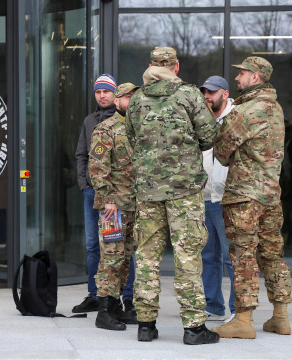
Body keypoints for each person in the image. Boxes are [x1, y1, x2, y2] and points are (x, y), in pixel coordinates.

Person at [125, 47, 220, 345]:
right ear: (175, 67)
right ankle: (193, 329)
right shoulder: (189, 95)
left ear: (151, 65)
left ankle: (145, 325)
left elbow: (131, 136)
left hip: (148, 191)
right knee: (188, 256)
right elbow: (209, 137)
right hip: (184, 192)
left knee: (147, 258)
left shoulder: (137, 98)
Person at [211, 57, 291, 339]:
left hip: (244, 196)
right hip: (271, 195)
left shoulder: (244, 111)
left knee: (243, 255)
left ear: (255, 77)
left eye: (242, 73)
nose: (237, 78)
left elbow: (221, 153)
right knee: (272, 254)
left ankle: (243, 321)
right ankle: (280, 317)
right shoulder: (276, 108)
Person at [89, 83, 140, 330]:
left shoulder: (138, 128)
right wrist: (107, 198)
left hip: (133, 206)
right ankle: (104, 311)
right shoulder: (106, 129)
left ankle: (117, 305)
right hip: (113, 208)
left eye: (134, 96)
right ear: (117, 101)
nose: (131, 100)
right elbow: (98, 168)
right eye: (127, 97)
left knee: (125, 257)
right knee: (111, 257)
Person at [74, 74, 118, 313]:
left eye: (106, 91)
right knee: (93, 246)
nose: (102, 96)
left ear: (114, 93)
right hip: (92, 193)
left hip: (115, 195)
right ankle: (94, 294)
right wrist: (84, 184)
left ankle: (119, 297)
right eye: (98, 92)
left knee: (117, 245)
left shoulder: (123, 119)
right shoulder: (89, 121)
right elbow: (81, 154)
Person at [199, 76, 236, 323]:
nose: (207, 97)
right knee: (208, 257)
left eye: (211, 92)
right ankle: (214, 306)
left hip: (226, 199)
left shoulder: (236, 119)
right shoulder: (203, 120)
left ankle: (237, 310)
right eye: (205, 93)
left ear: (224, 93)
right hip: (204, 198)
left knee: (231, 257)